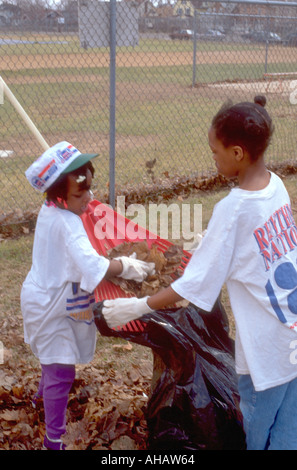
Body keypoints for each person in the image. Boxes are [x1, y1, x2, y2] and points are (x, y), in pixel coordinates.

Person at [101, 96, 297, 450]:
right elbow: (258, 243)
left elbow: (192, 286)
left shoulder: (232, 208)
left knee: (261, 426)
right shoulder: (276, 185)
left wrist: (139, 306)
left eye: (214, 151)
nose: (214, 157)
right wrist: (213, 242)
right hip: (293, 330)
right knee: (290, 422)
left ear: (237, 153)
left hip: (266, 350)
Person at [21, 141, 155, 450]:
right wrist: (130, 267)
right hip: (50, 304)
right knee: (61, 367)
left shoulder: (54, 207)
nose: (89, 199)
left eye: (90, 190)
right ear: (58, 196)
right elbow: (93, 264)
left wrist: (82, 203)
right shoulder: (67, 223)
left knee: (55, 357)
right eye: (80, 195)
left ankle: (42, 396)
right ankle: (53, 440)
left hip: (58, 295)